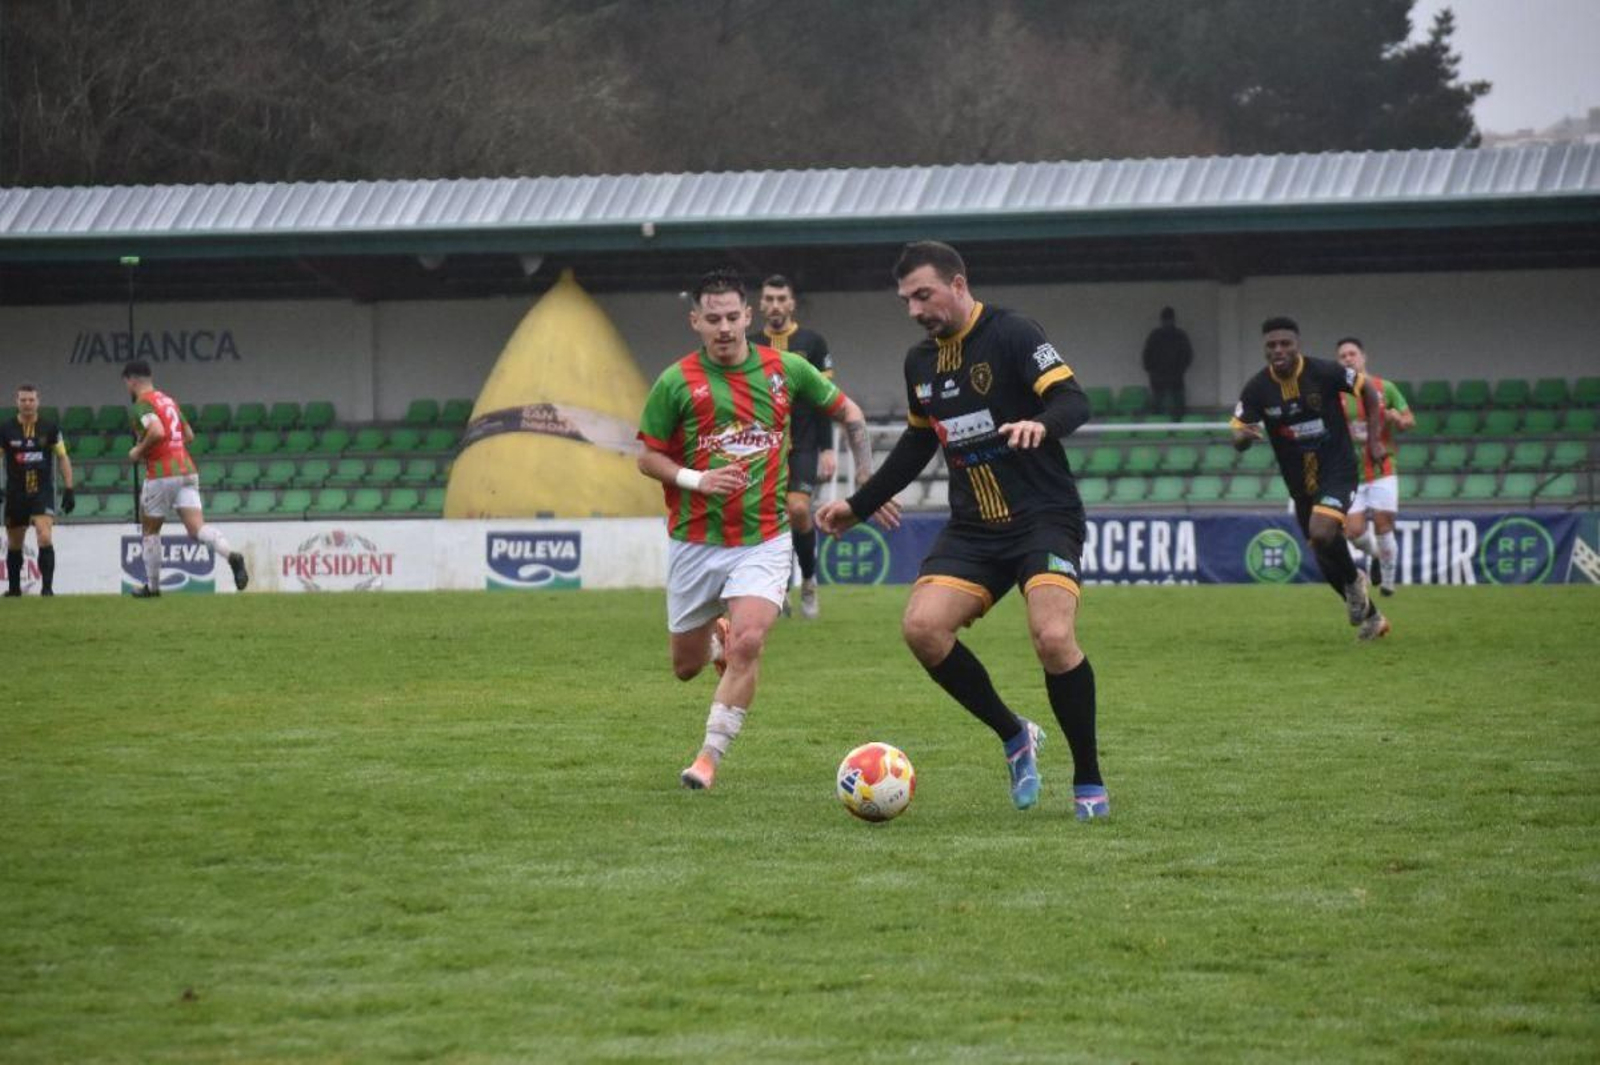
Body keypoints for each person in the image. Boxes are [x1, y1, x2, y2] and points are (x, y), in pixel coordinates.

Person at [816, 240, 1109, 820]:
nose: (915, 309)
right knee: (922, 629)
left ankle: (1088, 779)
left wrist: (1040, 425)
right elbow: (919, 442)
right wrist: (860, 503)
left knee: (1052, 639)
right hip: (974, 528)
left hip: (1044, 518)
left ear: (957, 283)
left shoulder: (1015, 333)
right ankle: (1014, 735)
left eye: (923, 295)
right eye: (906, 300)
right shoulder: (919, 363)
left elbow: (1074, 401)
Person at [636, 269, 884, 791]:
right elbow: (648, 457)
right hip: (695, 543)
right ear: (696, 321)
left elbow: (850, 414)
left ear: (748, 316)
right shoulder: (676, 381)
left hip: (764, 539)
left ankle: (707, 758)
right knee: (685, 666)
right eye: (713, 319)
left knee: (750, 642)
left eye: (732, 317)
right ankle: (717, 635)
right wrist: (697, 478)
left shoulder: (787, 368)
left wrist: (866, 481)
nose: (724, 327)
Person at [1230, 318, 1390, 639]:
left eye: (1285, 343)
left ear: (1297, 345)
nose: (1278, 350)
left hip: (1338, 469)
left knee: (1321, 532)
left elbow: (1368, 390)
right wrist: (1245, 436)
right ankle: (1373, 618)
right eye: (1272, 345)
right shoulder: (1258, 388)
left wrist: (1374, 439)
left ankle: (1355, 581)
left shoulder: (1324, 372)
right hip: (1300, 484)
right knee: (1324, 555)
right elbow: (1237, 434)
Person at [121, 361, 249, 597]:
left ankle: (153, 587)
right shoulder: (168, 400)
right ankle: (232, 555)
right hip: (187, 468)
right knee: (197, 528)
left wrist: (138, 450)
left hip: (161, 473)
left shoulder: (142, 404)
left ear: (132, 380)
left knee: (150, 531)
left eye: (126, 383)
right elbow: (188, 435)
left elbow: (157, 431)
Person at [751, 274, 835, 619]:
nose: (774, 305)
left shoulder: (813, 343)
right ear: (760, 304)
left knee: (798, 510)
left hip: (803, 444)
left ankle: (810, 580)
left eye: (780, 298)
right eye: (768, 298)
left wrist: (828, 448)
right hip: (761, 447)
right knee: (769, 518)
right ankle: (779, 586)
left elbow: (824, 400)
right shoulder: (749, 343)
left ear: (791, 303)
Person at [1336, 337, 1413, 596]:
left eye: (1352, 354)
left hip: (1382, 468)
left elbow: (1409, 420)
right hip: (1352, 473)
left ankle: (1389, 583)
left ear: (1363, 357)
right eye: (1343, 356)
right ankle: (1379, 556)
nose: (1348, 359)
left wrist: (1396, 417)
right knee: (1353, 531)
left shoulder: (1385, 388)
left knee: (1383, 524)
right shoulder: (1337, 395)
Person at [3, 384, 75, 597]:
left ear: (38, 401)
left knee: (44, 536)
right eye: (23, 400)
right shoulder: (5, 429)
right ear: (16, 401)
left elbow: (62, 457)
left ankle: (47, 589)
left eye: (31, 400)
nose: (27, 404)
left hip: (41, 492)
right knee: (15, 542)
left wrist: (69, 488)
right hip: (16, 493)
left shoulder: (50, 428)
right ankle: (14, 589)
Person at [1141, 306, 1194, 420]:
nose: (1167, 322)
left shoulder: (1158, 335)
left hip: (1170, 375)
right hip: (1165, 376)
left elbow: (1187, 356)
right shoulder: (1177, 335)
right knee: (1162, 402)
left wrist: (1180, 370)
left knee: (1171, 402)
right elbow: (1147, 355)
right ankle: (1165, 423)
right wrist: (1152, 370)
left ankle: (1167, 423)